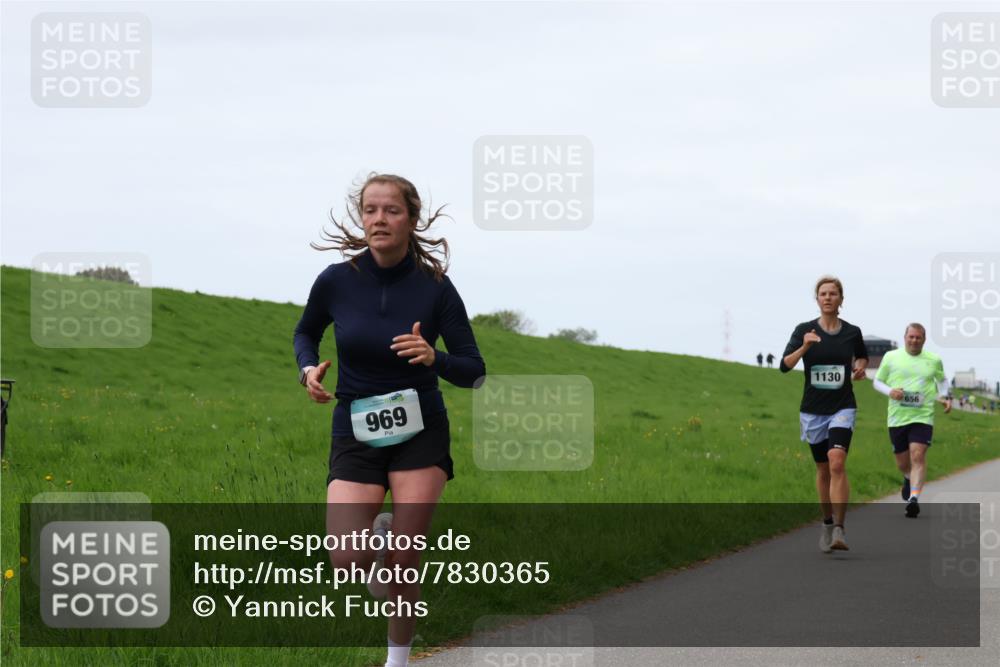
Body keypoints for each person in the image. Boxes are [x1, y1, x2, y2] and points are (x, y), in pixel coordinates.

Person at [293, 173, 486, 667]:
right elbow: (306, 332)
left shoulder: (436, 289)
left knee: (404, 557)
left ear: (412, 219)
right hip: (356, 428)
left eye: (392, 210)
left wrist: (433, 357)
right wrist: (307, 370)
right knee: (345, 560)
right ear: (362, 218)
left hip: (419, 430)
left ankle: (396, 661)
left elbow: (474, 371)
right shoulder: (336, 281)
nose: (380, 219)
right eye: (371, 210)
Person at [780, 276, 868, 552]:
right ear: (817, 299)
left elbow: (862, 356)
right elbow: (784, 365)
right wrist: (805, 346)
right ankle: (827, 522)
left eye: (833, 293)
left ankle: (840, 529)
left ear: (841, 299)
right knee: (822, 469)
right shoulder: (804, 329)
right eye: (823, 293)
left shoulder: (852, 332)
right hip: (813, 410)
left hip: (843, 405)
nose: (828, 297)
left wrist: (860, 367)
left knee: (837, 461)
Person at [872, 323, 951, 518]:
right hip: (897, 417)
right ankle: (907, 478)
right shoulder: (891, 357)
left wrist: (945, 396)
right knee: (902, 463)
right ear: (905, 337)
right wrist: (890, 391)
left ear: (924, 339)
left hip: (923, 415)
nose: (914, 340)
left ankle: (913, 499)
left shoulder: (934, 360)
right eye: (911, 337)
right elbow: (877, 381)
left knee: (918, 455)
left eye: (918, 337)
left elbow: (942, 381)